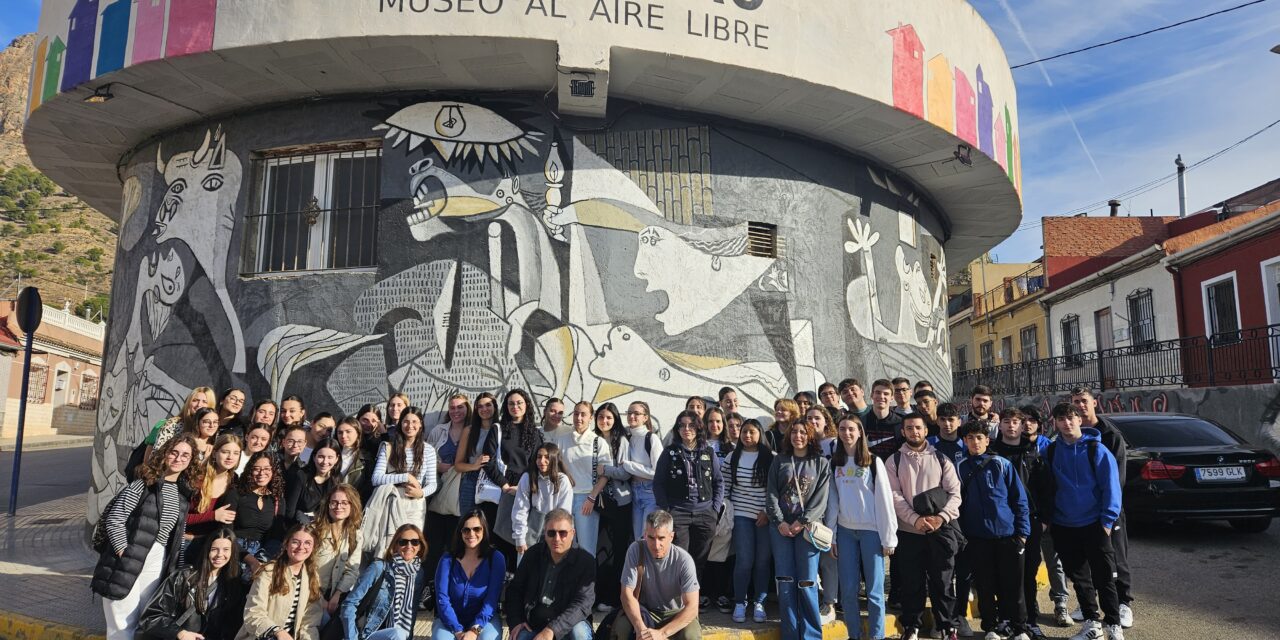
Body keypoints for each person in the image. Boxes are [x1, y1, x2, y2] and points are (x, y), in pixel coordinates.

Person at [94, 434, 201, 640]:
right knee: (122, 623)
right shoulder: (143, 484)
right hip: (128, 555)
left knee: (143, 620)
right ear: (164, 454)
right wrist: (123, 550)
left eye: (185, 455)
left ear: (191, 461)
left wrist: (176, 572)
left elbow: (176, 538)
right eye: (174, 452)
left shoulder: (182, 496)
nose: (179, 458)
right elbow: (115, 518)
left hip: (157, 560)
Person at [1041, 403, 1123, 640]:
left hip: (1095, 523)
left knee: (1104, 577)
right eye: (1060, 419)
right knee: (1080, 579)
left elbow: (1111, 487)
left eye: (1070, 418)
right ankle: (1092, 624)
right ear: (1054, 423)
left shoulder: (1096, 449)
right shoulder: (1051, 451)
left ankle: (1113, 625)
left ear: (1079, 420)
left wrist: (1107, 520)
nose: (1066, 423)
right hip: (1065, 525)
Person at [886, 413, 963, 640]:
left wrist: (941, 518)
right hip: (909, 533)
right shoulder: (894, 461)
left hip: (940, 531)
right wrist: (914, 519)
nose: (914, 432)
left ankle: (947, 626)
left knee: (943, 582)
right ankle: (912, 626)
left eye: (918, 427)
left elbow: (955, 493)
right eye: (909, 428)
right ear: (903, 432)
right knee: (912, 582)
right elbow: (894, 495)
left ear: (925, 430)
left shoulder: (940, 458)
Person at [957, 421, 1030, 640]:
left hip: (1008, 536)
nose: (975, 442)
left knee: (1014, 585)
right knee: (985, 585)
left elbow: (1019, 500)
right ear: (965, 441)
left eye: (979, 438)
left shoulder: (1002, 464)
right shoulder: (960, 467)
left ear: (987, 440)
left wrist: (1023, 534)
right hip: (977, 537)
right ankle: (991, 626)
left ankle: (1019, 627)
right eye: (970, 438)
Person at [826, 415, 896, 640]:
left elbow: (884, 500)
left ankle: (877, 636)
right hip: (845, 532)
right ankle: (854, 634)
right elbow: (833, 502)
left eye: (851, 429)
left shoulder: (873, 461)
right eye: (843, 429)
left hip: (871, 532)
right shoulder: (834, 463)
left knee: (875, 592)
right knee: (848, 591)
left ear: (860, 433)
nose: (847, 433)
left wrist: (888, 538)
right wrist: (833, 536)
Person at [1071, 387, 1134, 630]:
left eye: (1084, 401)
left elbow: (1117, 478)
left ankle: (1124, 603)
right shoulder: (1072, 433)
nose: (1080, 406)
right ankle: (1090, 604)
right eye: (1076, 402)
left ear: (1094, 402)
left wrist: (1108, 510)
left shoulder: (1110, 435)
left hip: (1108, 508)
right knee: (1087, 558)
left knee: (1116, 556)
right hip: (1081, 511)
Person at [766, 414, 830, 640]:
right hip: (780, 529)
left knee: (807, 582)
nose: (798, 436)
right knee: (785, 581)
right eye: (794, 432)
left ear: (810, 435)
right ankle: (791, 633)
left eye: (803, 432)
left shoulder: (821, 463)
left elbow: (821, 499)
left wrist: (801, 522)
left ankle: (811, 634)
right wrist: (780, 522)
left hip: (807, 530)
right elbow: (772, 494)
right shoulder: (779, 460)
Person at [991, 408, 1050, 640]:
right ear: (1001, 425)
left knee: (1028, 573)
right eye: (1007, 422)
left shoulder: (1034, 452)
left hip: (1030, 521)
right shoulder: (992, 452)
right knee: (1002, 573)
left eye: (1016, 422)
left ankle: (1029, 621)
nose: (1011, 427)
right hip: (1000, 523)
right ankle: (1005, 619)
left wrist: (1045, 519)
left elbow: (1046, 488)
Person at [653, 409, 724, 599]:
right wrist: (667, 511)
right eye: (682, 425)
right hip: (678, 513)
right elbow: (658, 483)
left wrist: (715, 509)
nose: (686, 429)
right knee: (679, 559)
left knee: (699, 560)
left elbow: (718, 481)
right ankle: (677, 600)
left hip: (705, 514)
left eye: (691, 425)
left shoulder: (708, 451)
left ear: (698, 428)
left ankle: (693, 600)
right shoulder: (670, 452)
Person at [138, 527, 248, 640]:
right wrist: (180, 633)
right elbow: (151, 616)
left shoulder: (233, 585)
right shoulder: (183, 577)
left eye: (226, 549)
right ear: (207, 550)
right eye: (214, 549)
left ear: (232, 552)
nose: (220, 554)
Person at [505, 509, 597, 640]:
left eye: (563, 533)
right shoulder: (532, 555)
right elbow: (515, 590)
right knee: (519, 635)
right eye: (551, 533)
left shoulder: (585, 561)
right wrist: (516, 622)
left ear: (573, 534)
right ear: (545, 534)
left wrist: (552, 629)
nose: (557, 538)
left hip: (569, 625)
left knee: (580, 634)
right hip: (534, 623)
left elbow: (583, 603)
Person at [612, 510, 702, 640]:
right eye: (651, 538)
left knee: (691, 635)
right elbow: (626, 595)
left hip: (674, 613)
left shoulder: (684, 560)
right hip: (645, 611)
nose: (656, 545)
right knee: (622, 627)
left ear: (671, 536)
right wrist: (641, 629)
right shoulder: (636, 550)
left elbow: (692, 607)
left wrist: (662, 634)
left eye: (661, 538)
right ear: (645, 534)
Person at [366, 406, 438, 554]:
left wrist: (421, 493)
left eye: (414, 422)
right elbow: (376, 478)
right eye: (406, 421)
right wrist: (406, 476)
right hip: (392, 500)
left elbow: (433, 483)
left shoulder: (428, 450)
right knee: (387, 549)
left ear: (420, 425)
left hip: (415, 505)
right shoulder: (389, 447)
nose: (410, 426)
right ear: (400, 424)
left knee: (410, 549)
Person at [341, 523, 429, 640]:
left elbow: (411, 614)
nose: (409, 546)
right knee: (397, 634)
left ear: (420, 547)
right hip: (368, 634)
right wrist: (352, 638)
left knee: (400, 634)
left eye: (414, 542)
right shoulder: (378, 568)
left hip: (401, 636)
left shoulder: (418, 574)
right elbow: (349, 604)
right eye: (403, 542)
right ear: (395, 545)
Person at [724, 418, 773, 624]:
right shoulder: (731, 457)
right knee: (744, 561)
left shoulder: (771, 458)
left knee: (762, 561)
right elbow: (726, 487)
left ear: (760, 434)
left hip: (765, 516)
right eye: (744, 432)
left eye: (752, 432)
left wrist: (767, 512)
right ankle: (740, 601)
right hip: (741, 515)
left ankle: (759, 601)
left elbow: (775, 490)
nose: (747, 436)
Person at [236, 525, 323, 640]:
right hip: (262, 636)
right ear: (286, 544)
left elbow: (310, 621)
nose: (301, 547)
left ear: (313, 548)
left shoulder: (312, 576)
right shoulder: (269, 572)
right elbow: (253, 613)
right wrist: (277, 632)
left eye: (307, 543)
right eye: (295, 542)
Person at [433, 511, 507, 640]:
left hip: (484, 619)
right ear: (460, 532)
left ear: (484, 531)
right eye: (466, 530)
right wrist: (457, 630)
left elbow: (491, 600)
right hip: (449, 618)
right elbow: (442, 599)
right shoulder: (447, 559)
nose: (471, 534)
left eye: (477, 529)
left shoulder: (496, 558)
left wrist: (474, 630)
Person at [556, 401, 612, 558]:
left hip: (587, 500)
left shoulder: (598, 442)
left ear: (591, 417)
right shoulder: (562, 440)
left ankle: (587, 583)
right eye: (575, 413)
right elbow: (557, 467)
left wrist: (591, 497)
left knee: (586, 550)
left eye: (583, 414)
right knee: (563, 547)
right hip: (564, 498)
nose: (578, 418)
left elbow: (605, 474)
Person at [592, 402, 633, 613]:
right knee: (596, 551)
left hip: (619, 503)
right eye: (601, 417)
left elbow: (626, 473)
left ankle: (613, 597)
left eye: (608, 417)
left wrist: (605, 470)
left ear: (615, 419)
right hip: (597, 503)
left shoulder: (622, 441)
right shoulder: (592, 440)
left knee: (618, 551)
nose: (604, 421)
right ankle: (594, 595)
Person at [497, 389, 545, 563]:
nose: (515, 407)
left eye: (519, 403)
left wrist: (524, 486)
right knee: (501, 538)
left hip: (525, 487)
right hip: (502, 488)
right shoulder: (499, 429)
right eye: (511, 403)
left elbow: (537, 463)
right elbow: (489, 462)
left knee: (522, 539)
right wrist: (504, 485)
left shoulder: (535, 433)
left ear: (527, 405)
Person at [426, 394, 470, 575]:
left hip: (462, 494)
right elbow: (425, 457)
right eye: (452, 407)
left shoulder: (473, 431)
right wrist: (437, 466)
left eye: (460, 407)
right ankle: (429, 585)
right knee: (433, 546)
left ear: (468, 409)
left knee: (456, 546)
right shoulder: (439, 430)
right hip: (439, 491)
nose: (456, 411)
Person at [220, 452, 282, 577]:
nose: (261, 473)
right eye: (256, 469)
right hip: (234, 550)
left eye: (266, 469)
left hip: (264, 553)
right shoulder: (236, 493)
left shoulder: (276, 499)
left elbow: (277, 535)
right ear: (249, 470)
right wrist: (251, 560)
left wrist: (261, 560)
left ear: (274, 471)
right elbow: (226, 532)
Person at [804, 406, 840, 618]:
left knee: (829, 556)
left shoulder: (834, 444)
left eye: (817, 418)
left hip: (830, 506)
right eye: (809, 418)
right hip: (808, 509)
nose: (812, 421)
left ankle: (830, 602)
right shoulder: (804, 444)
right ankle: (814, 599)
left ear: (826, 421)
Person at [312, 484, 364, 623]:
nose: (338, 506)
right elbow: (305, 567)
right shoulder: (314, 531)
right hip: (311, 592)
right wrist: (319, 598)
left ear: (352, 505)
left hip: (335, 594)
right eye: (333, 502)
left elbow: (352, 570)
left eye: (344, 502)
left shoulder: (356, 536)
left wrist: (337, 595)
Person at [512, 443, 574, 558]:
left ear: (554, 459)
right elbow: (520, 508)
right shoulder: (528, 477)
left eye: (546, 457)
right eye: (539, 457)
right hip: (530, 530)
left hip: (553, 532)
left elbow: (564, 513)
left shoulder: (563, 481)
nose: (542, 461)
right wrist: (520, 538)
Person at [186, 434, 243, 549]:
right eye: (225, 452)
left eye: (236, 453)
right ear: (214, 452)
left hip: (212, 546)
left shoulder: (235, 481)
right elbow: (178, 516)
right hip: (185, 541)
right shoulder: (196, 477)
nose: (230, 457)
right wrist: (213, 515)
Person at [456, 392, 501, 518]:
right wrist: (474, 466)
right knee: (468, 521)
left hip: (496, 480)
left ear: (495, 407)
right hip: (472, 480)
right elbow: (458, 465)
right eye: (480, 406)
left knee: (491, 523)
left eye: (488, 405)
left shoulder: (503, 429)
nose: (484, 409)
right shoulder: (469, 431)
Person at [621, 401, 661, 539]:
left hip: (650, 493)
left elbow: (657, 473)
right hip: (634, 490)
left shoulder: (652, 438)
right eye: (629, 413)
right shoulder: (628, 437)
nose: (632, 416)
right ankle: (639, 562)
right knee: (637, 537)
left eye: (636, 413)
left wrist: (628, 465)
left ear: (645, 417)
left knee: (647, 536)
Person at [283, 438, 340, 530]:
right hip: (299, 527)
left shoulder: (337, 481)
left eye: (330, 457)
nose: (325, 462)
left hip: (324, 530)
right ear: (314, 457)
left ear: (337, 459)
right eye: (321, 456)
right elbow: (290, 510)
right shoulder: (301, 476)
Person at [864, 379, 904, 459]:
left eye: (886, 394)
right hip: (869, 469)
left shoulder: (901, 422)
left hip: (894, 469)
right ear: (872, 395)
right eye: (878, 393)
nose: (881, 396)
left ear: (892, 398)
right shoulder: (861, 422)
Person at [335, 417, 373, 500]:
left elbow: (368, 487)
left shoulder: (366, 458)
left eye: (348, 431)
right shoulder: (331, 454)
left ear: (358, 433)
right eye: (340, 432)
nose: (343, 436)